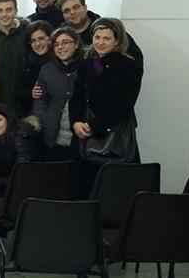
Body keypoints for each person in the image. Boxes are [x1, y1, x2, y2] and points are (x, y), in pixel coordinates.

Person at [69, 18, 143, 194]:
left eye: (107, 38)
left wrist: (93, 126)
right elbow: (76, 98)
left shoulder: (129, 65)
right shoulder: (86, 63)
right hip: (84, 134)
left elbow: (125, 105)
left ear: (117, 41)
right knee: (83, 190)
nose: (100, 42)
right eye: (97, 37)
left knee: (115, 191)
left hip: (115, 135)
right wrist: (76, 122)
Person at [57, 0, 144, 70]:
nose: (72, 12)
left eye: (76, 7)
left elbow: (135, 57)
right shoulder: (59, 36)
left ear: (85, 7)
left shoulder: (109, 28)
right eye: (66, 11)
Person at [32, 27, 83, 161]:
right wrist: (42, 119)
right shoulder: (47, 69)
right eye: (56, 44)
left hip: (81, 133)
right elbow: (40, 99)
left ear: (76, 44)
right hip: (53, 132)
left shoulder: (87, 66)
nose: (60, 47)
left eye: (65, 42)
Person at [14, 20, 54, 117]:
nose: (38, 44)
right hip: (31, 114)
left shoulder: (60, 60)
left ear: (50, 39)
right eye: (33, 41)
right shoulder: (25, 62)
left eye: (41, 39)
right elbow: (16, 91)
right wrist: (30, 92)